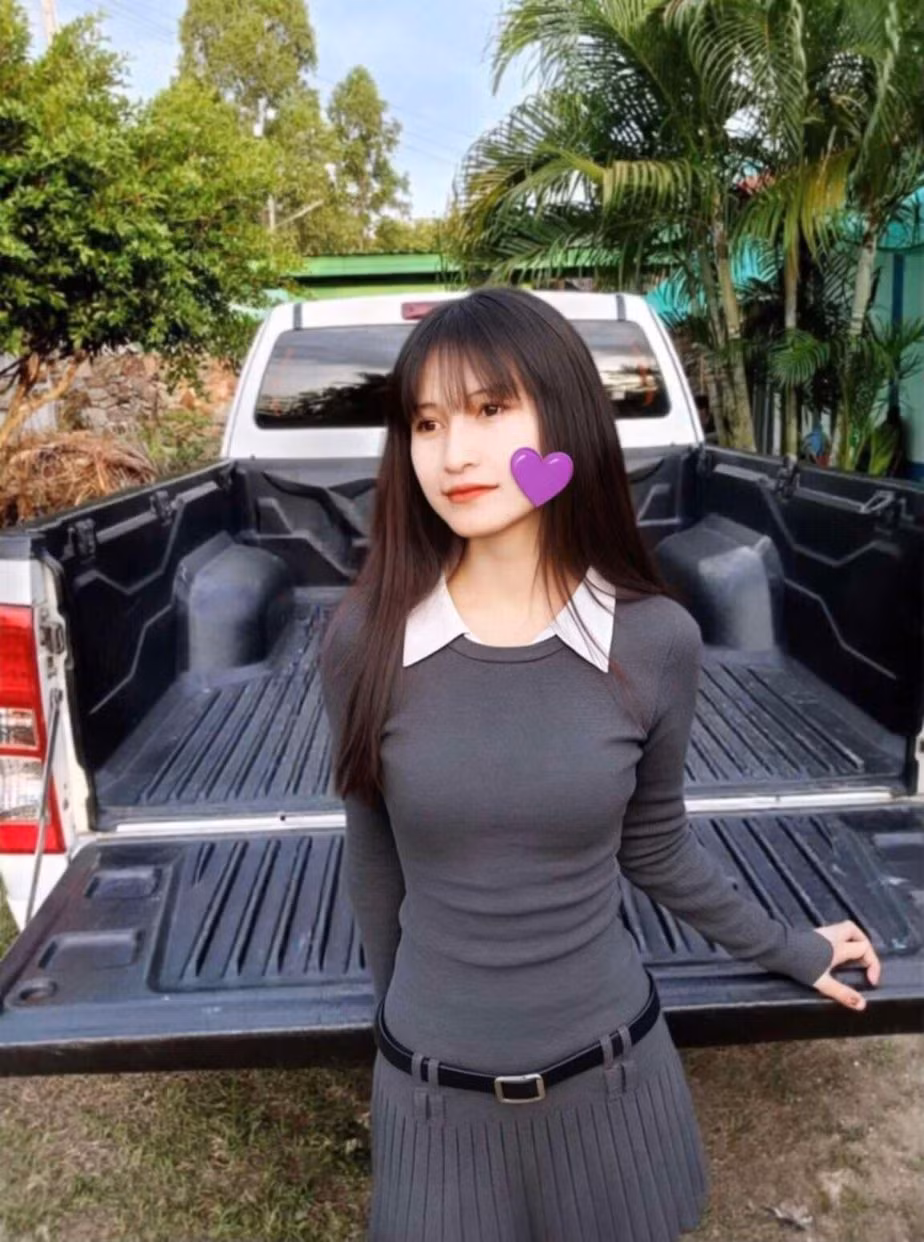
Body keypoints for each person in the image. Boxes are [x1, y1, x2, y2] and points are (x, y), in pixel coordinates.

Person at [319, 286, 880, 1242]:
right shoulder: (363, 641)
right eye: (427, 422)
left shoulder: (656, 641)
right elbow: (375, 863)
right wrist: (395, 1047)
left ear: (567, 421)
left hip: (616, 1086)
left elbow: (657, 847)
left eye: (491, 409)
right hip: (431, 1099)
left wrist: (794, 948)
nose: (453, 453)